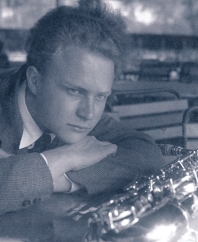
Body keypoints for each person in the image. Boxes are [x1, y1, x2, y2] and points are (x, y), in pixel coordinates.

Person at [0, 0, 165, 215]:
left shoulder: (76, 116)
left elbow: (148, 156)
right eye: (74, 91)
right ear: (34, 81)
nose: (88, 113)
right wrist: (63, 158)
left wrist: (56, 173)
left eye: (101, 96)